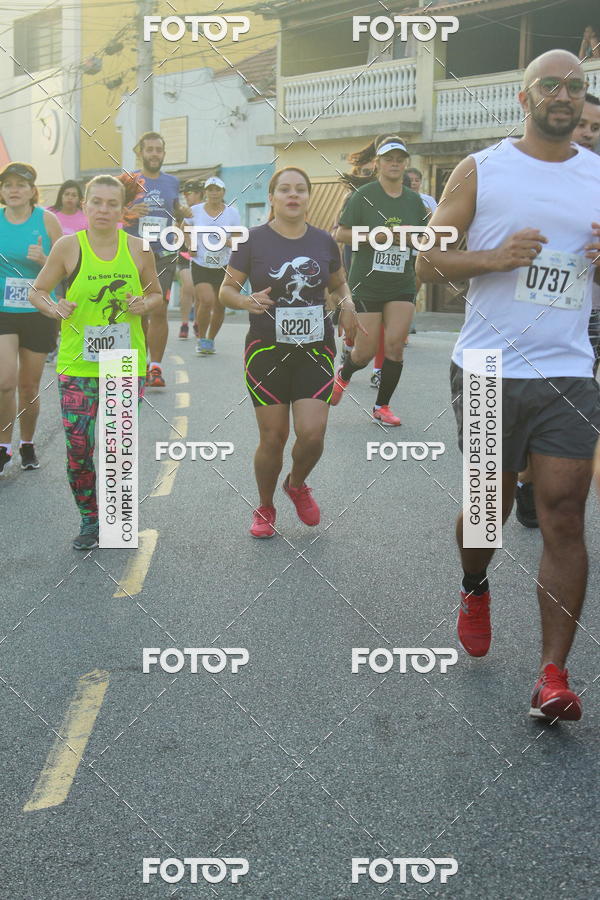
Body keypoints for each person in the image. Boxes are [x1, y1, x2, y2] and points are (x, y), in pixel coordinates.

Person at [416, 49, 600, 722]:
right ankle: (474, 584)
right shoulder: (482, 169)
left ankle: (553, 675)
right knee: (488, 508)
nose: (564, 95)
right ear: (524, 98)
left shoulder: (598, 175)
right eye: (550, 85)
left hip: (567, 368)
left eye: (575, 88)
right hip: (491, 366)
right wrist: (496, 257)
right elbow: (427, 258)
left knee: (563, 513)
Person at [219, 166, 362, 538]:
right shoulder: (252, 240)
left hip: (314, 349)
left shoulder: (323, 242)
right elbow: (226, 291)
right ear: (272, 197)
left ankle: (296, 484)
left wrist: (347, 305)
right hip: (265, 351)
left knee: (313, 433)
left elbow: (339, 282)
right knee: (274, 437)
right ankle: (265, 506)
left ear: (309, 197)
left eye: (300, 189)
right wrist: (244, 299)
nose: (292, 195)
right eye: (284, 189)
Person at [28, 175, 162, 549]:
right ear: (85, 205)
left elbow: (157, 295)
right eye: (96, 202)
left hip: (123, 363)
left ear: (123, 210)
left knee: (118, 447)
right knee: (78, 448)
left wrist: (144, 303)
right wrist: (55, 307)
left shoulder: (138, 249)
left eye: (111, 204)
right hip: (78, 364)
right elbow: (38, 290)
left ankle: (119, 518)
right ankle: (90, 518)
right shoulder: (68, 247)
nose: (103, 209)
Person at [515, 91, 600, 529]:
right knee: (485, 506)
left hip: (589, 324)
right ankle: (527, 476)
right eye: (582, 124)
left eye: (594, 127)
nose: (586, 132)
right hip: (524, 333)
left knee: (582, 419)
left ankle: (559, 484)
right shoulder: (516, 172)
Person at [331, 135, 429, 425]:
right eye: (388, 159)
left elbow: (425, 237)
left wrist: (414, 238)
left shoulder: (414, 201)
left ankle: (382, 407)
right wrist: (380, 236)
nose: (394, 164)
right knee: (364, 351)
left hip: (401, 282)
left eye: (400, 159)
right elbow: (341, 234)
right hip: (368, 281)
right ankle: (344, 374)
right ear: (378, 164)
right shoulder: (364, 196)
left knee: (396, 345)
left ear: (406, 164)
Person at [0, 162, 62, 476]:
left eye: (20, 185)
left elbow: (66, 266)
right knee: (4, 382)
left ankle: (27, 442)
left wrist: (44, 261)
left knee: (28, 387)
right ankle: (3, 446)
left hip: (38, 311)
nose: (13, 190)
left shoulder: (47, 221)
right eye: (7, 184)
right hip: (3, 313)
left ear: (31, 191)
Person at [120, 132, 182, 388]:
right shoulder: (127, 180)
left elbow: (177, 213)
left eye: (159, 150)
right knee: (134, 311)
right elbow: (110, 210)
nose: (154, 154)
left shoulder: (173, 182)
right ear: (141, 153)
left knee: (158, 309)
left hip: (163, 253)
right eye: (150, 149)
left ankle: (154, 367)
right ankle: (134, 365)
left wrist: (183, 218)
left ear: (164, 154)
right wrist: (128, 212)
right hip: (133, 253)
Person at [185, 176, 241, 356]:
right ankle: (201, 338)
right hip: (201, 262)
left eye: (217, 189)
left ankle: (210, 339)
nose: (214, 193)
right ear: (205, 192)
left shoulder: (232, 213)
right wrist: (190, 245)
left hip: (224, 263)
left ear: (223, 192)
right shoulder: (195, 210)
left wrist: (228, 242)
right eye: (210, 189)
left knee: (220, 305)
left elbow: (239, 238)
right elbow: (183, 227)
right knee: (207, 300)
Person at [46, 180, 89, 365]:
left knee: (74, 309)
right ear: (60, 196)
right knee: (57, 306)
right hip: (54, 269)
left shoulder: (84, 217)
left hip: (77, 271)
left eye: (74, 195)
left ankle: (74, 344)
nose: (70, 198)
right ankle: (54, 345)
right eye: (66, 194)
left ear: (79, 199)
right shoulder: (50, 214)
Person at [177, 179, 203, 340]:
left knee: (199, 291)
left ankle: (198, 322)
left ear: (200, 193)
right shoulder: (181, 210)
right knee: (187, 286)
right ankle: (184, 323)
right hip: (185, 251)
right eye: (184, 194)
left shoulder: (206, 210)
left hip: (204, 253)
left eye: (189, 193)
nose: (186, 197)